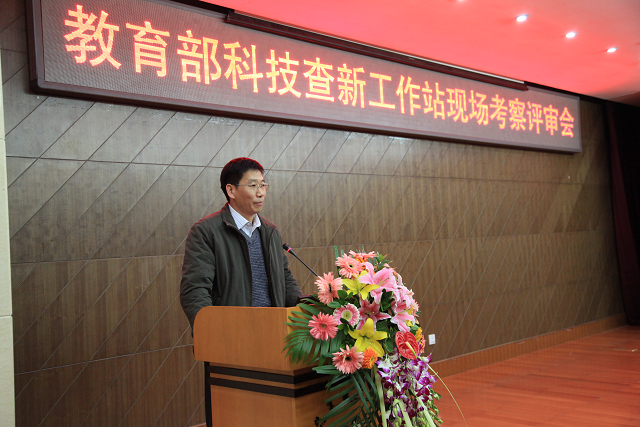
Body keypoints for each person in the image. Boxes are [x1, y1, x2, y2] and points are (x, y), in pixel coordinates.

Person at [180, 157, 302, 330]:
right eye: (253, 185)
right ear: (231, 190)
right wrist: (211, 331)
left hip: (274, 331)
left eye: (263, 185)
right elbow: (195, 289)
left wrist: (305, 309)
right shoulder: (206, 231)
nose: (261, 193)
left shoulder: (270, 231)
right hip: (232, 334)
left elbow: (284, 278)